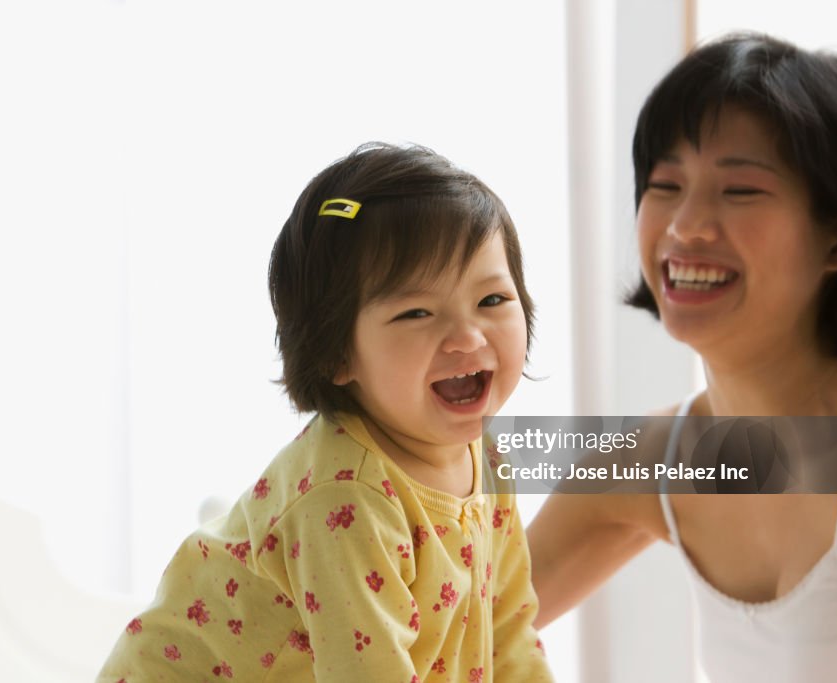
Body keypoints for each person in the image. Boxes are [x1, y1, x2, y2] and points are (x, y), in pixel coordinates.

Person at [99, 143, 554, 682]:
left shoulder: (486, 457)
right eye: (416, 312)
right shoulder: (348, 498)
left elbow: (509, 634)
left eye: (492, 300)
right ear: (336, 354)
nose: (466, 336)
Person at [527, 33, 837, 682]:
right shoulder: (650, 456)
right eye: (665, 184)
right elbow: (450, 629)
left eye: (740, 191)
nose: (684, 226)